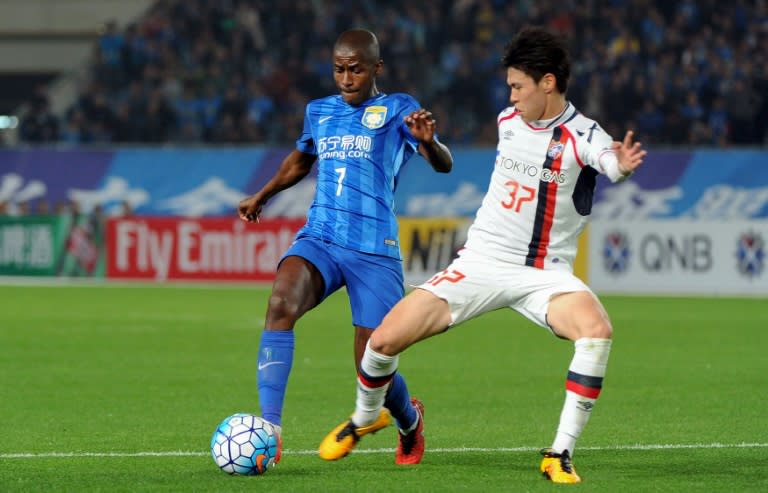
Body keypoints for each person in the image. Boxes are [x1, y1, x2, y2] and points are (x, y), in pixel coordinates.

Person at [319, 26, 647, 484]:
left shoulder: (581, 134)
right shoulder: (507, 122)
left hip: (543, 273)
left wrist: (622, 167)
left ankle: (559, 453)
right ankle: (366, 416)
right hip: (480, 262)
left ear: (547, 83)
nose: (511, 96)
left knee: (596, 331)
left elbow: (609, 160)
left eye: (518, 86)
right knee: (381, 343)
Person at [237, 28, 453, 465]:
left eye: (356, 69)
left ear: (376, 68)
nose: (346, 78)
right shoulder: (320, 112)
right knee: (281, 303)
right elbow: (301, 160)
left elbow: (443, 164)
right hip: (321, 237)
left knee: (372, 362)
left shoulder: (398, 108)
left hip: (374, 249)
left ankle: (410, 420)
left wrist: (430, 143)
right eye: (339, 69)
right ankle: (270, 431)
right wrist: (263, 194)